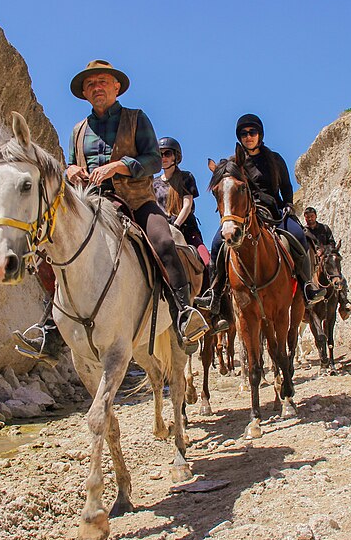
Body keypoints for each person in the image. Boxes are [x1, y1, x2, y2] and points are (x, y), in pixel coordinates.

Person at [11, 60, 207, 362]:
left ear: (116, 87)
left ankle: (183, 315)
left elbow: (154, 160)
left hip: (137, 201)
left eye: (103, 81)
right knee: (47, 252)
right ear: (84, 94)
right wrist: (71, 170)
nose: (96, 87)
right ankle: (51, 328)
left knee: (165, 242)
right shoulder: (78, 130)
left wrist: (120, 165)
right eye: (90, 84)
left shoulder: (136, 118)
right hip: (91, 204)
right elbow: (71, 166)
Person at [199, 113, 326, 323]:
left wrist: (287, 205)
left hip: (274, 212)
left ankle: (306, 286)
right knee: (216, 244)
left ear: (260, 134)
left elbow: (286, 187)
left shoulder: (275, 159)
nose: (248, 137)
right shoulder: (233, 164)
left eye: (252, 132)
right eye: (243, 134)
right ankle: (216, 294)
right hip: (244, 214)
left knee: (298, 236)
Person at [154, 136, 210, 266]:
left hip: (185, 229)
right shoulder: (153, 183)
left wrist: (176, 226)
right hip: (162, 231)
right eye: (160, 154)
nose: (164, 157)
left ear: (176, 156)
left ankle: (210, 287)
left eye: (167, 153)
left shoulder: (186, 177)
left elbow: (187, 205)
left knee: (207, 261)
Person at [303, 206, 351, 316]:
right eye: (308, 217)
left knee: (339, 278)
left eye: (312, 216)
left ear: (316, 216)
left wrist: (325, 251)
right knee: (305, 280)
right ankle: (305, 308)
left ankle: (344, 303)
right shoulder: (304, 232)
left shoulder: (324, 229)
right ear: (305, 218)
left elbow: (332, 242)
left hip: (326, 258)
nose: (310, 219)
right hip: (312, 261)